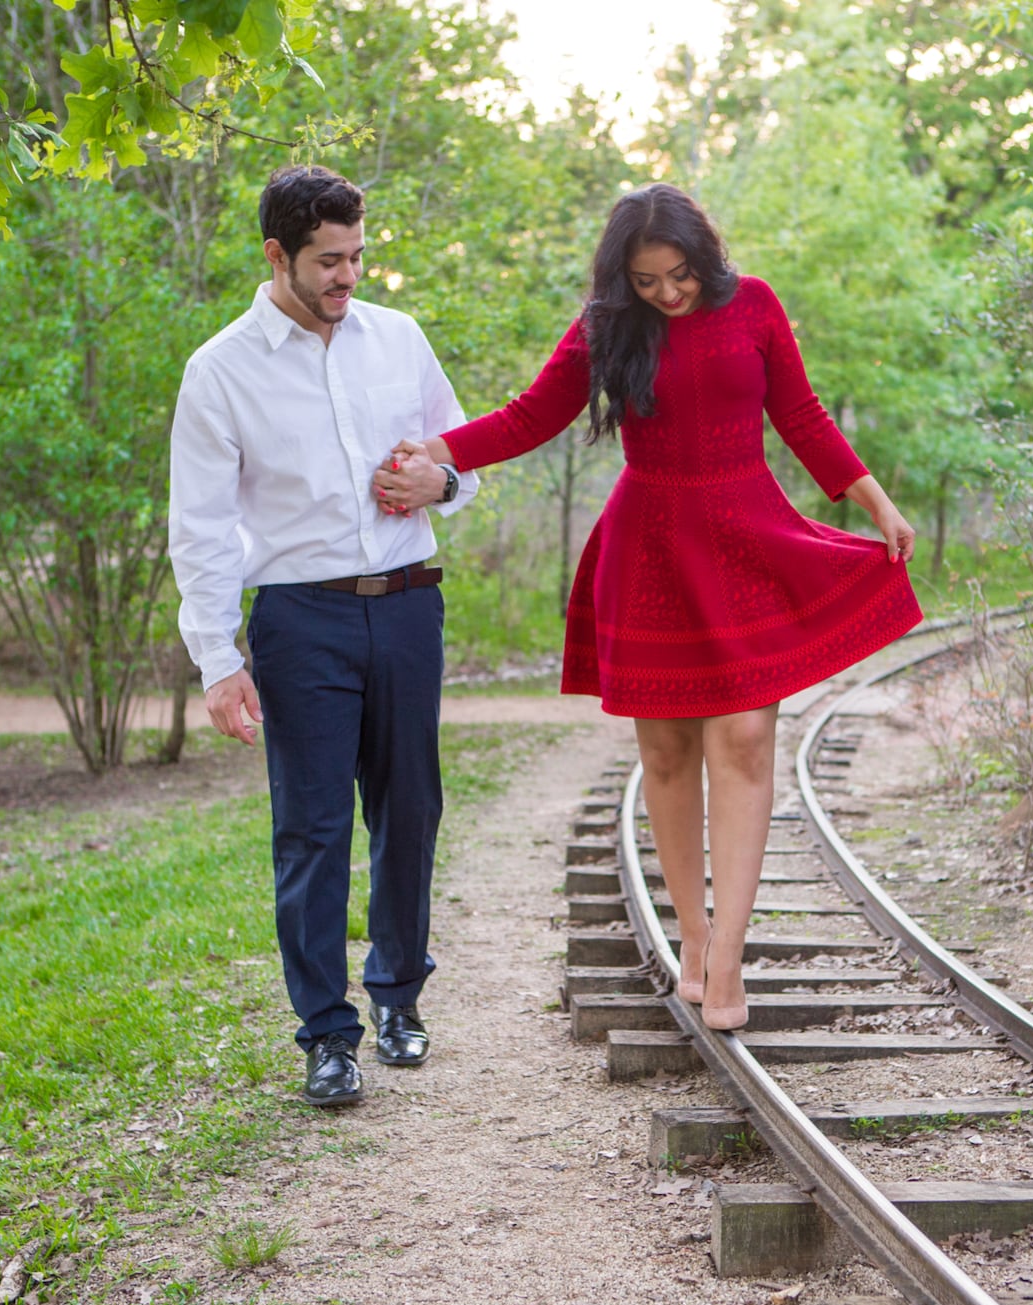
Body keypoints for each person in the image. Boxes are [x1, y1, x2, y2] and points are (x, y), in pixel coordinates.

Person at [373, 184, 921, 1031]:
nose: (667, 294)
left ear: (705, 257)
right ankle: (692, 937)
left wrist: (874, 500)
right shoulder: (607, 325)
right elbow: (531, 416)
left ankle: (730, 957)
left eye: (679, 277)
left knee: (742, 737)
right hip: (652, 549)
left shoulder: (757, 307)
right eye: (647, 280)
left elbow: (802, 413)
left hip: (747, 537)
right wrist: (441, 449)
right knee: (666, 757)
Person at [168, 165, 481, 1108]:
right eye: (327, 261)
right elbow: (202, 525)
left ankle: (397, 999)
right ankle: (326, 1035)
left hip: (408, 603)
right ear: (277, 256)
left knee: (410, 810)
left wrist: (446, 484)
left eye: (355, 256)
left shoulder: (398, 338)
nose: (347, 277)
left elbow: (465, 451)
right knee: (309, 830)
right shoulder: (220, 368)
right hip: (300, 618)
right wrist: (219, 661)